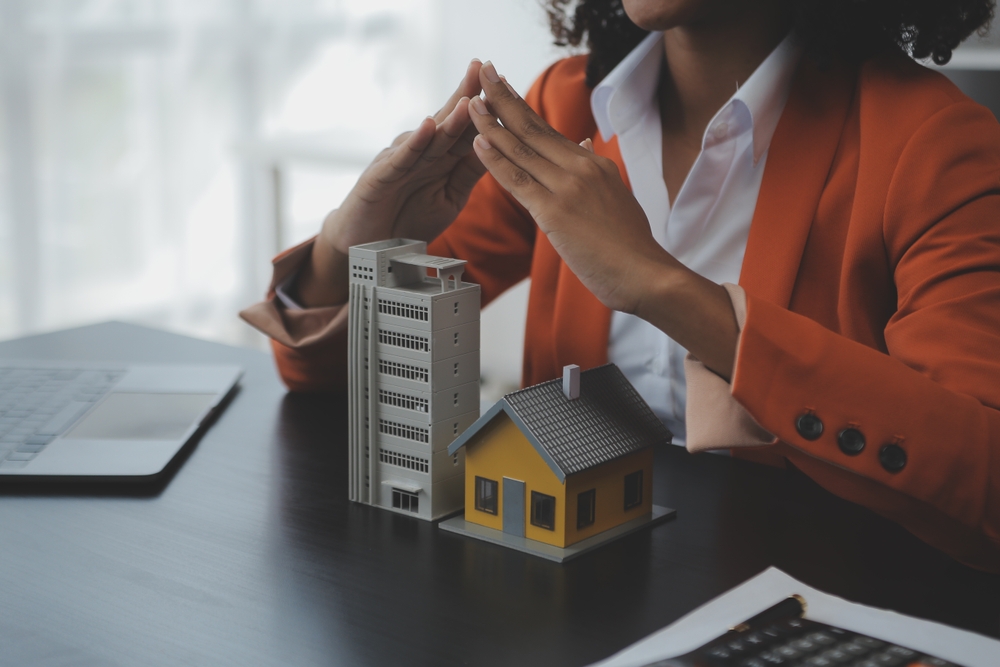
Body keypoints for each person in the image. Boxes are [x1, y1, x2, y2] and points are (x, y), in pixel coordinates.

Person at [241, 0, 1000, 572]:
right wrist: (349, 244)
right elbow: (324, 373)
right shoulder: (562, 108)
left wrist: (660, 286)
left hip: (815, 600)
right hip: (560, 593)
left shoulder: (935, 148)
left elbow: (982, 476)